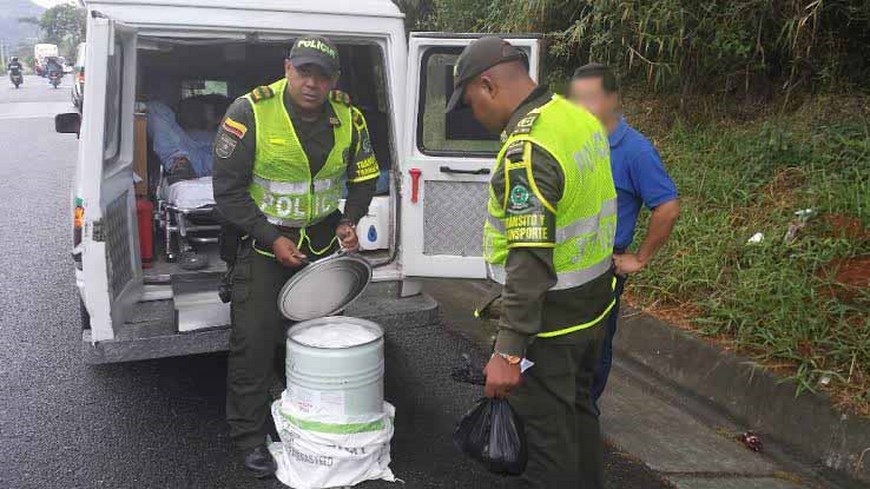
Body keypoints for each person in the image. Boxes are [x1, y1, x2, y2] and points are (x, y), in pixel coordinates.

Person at [448, 36, 617, 488]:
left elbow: (529, 258)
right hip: (591, 311)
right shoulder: (575, 118)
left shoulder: (528, 149)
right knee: (578, 416)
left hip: (550, 326)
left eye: (470, 104)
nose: (475, 118)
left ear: (487, 85)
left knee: (545, 447)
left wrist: (508, 350)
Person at [212, 35, 379, 479]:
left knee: (317, 341)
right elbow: (226, 192)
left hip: (324, 244)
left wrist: (352, 219)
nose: (312, 82)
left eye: (322, 75)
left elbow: (364, 178)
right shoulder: (250, 113)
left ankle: (311, 422)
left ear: (334, 80)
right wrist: (270, 237)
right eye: (304, 72)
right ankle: (249, 437)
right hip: (264, 245)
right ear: (287, 68)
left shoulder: (350, 116)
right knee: (254, 341)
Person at [569, 63, 680, 409]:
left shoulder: (635, 151)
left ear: (612, 99)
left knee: (593, 347)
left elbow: (667, 207)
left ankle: (582, 420)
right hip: (564, 265)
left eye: (591, 98)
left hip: (603, 270)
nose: (582, 106)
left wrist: (640, 258)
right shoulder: (572, 141)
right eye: (576, 98)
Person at [146, 98, 226, 183]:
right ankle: (179, 164)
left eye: (212, 113)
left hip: (222, 161)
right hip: (189, 158)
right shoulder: (177, 133)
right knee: (155, 107)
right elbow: (153, 109)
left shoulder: (225, 134)